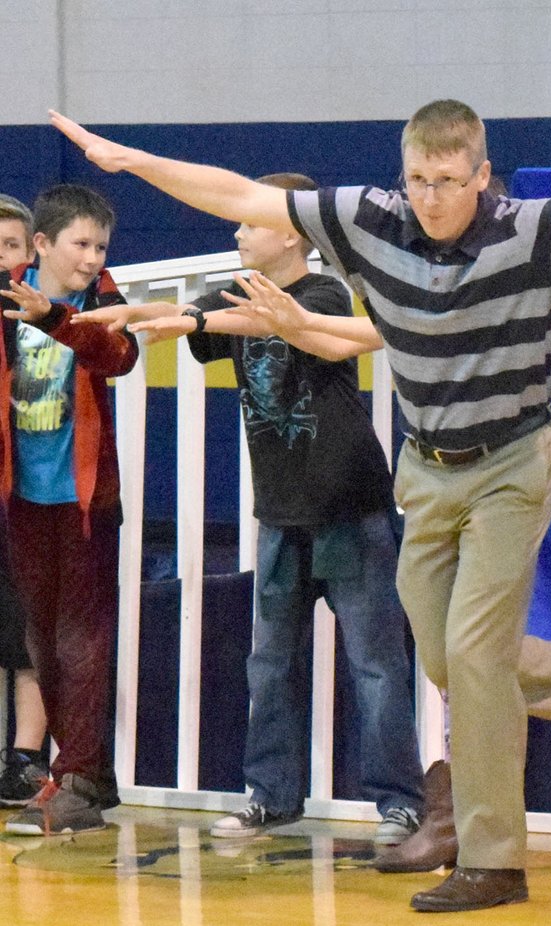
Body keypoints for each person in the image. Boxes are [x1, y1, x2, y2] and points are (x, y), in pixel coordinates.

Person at [50, 70, 551, 910]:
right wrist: (131, 160)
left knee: (478, 654)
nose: (430, 196)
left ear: (481, 176)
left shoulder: (530, 231)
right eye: (417, 178)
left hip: (515, 462)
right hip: (428, 468)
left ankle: (494, 859)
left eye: (448, 180)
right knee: (451, 655)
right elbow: (238, 193)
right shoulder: (370, 220)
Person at [73, 172, 425, 846]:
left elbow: (257, 319)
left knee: (376, 665)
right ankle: (271, 796)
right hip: (281, 514)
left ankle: (399, 803)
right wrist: (139, 314)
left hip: (349, 507)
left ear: (292, 234)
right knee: (270, 664)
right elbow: (191, 317)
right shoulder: (232, 290)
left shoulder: (321, 293)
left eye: (250, 222)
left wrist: (195, 318)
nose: (236, 231)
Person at [0, 183, 138, 834]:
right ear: (44, 244)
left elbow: (119, 354)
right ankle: (82, 772)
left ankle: (78, 779)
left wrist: (55, 319)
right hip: (23, 499)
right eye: (80, 244)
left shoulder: (103, 299)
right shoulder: (6, 296)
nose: (90, 257)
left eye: (100, 246)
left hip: (84, 502)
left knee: (81, 641)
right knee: (40, 642)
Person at [0, 195, 50, 806]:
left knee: (25, 628)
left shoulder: (44, 313)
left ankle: (27, 757)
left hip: (29, 490)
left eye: (12, 246)